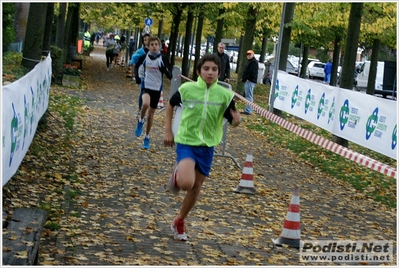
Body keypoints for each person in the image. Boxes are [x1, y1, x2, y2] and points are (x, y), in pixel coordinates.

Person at [163, 54, 241, 241]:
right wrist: (168, 131)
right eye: (206, 68)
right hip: (187, 141)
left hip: (208, 145)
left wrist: (237, 121)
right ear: (198, 71)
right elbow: (170, 105)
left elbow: (232, 119)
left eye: (214, 69)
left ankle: (179, 221)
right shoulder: (187, 89)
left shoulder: (225, 95)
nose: (210, 73)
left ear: (219, 73)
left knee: (196, 187)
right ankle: (178, 175)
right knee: (186, 183)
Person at [134, 36, 173, 149]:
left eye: (156, 44)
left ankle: (147, 137)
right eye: (152, 45)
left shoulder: (163, 58)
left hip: (157, 89)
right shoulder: (144, 57)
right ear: (148, 46)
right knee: (145, 104)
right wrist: (137, 77)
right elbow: (136, 66)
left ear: (159, 46)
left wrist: (164, 69)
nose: (154, 46)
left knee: (151, 115)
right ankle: (141, 121)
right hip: (146, 86)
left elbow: (170, 76)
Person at [130, 33, 151, 117]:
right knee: (143, 92)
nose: (146, 40)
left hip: (151, 76)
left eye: (148, 38)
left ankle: (145, 110)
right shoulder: (141, 51)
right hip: (142, 75)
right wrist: (136, 74)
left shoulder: (153, 51)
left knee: (149, 94)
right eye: (145, 39)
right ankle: (140, 110)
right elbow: (133, 61)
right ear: (143, 41)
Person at [241, 50, 258, 115]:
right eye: (247, 54)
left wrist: (247, 78)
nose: (248, 55)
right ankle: (248, 109)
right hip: (249, 80)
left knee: (249, 96)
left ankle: (249, 110)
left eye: (250, 54)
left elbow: (251, 72)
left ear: (253, 55)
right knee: (248, 95)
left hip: (250, 81)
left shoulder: (253, 62)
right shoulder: (251, 62)